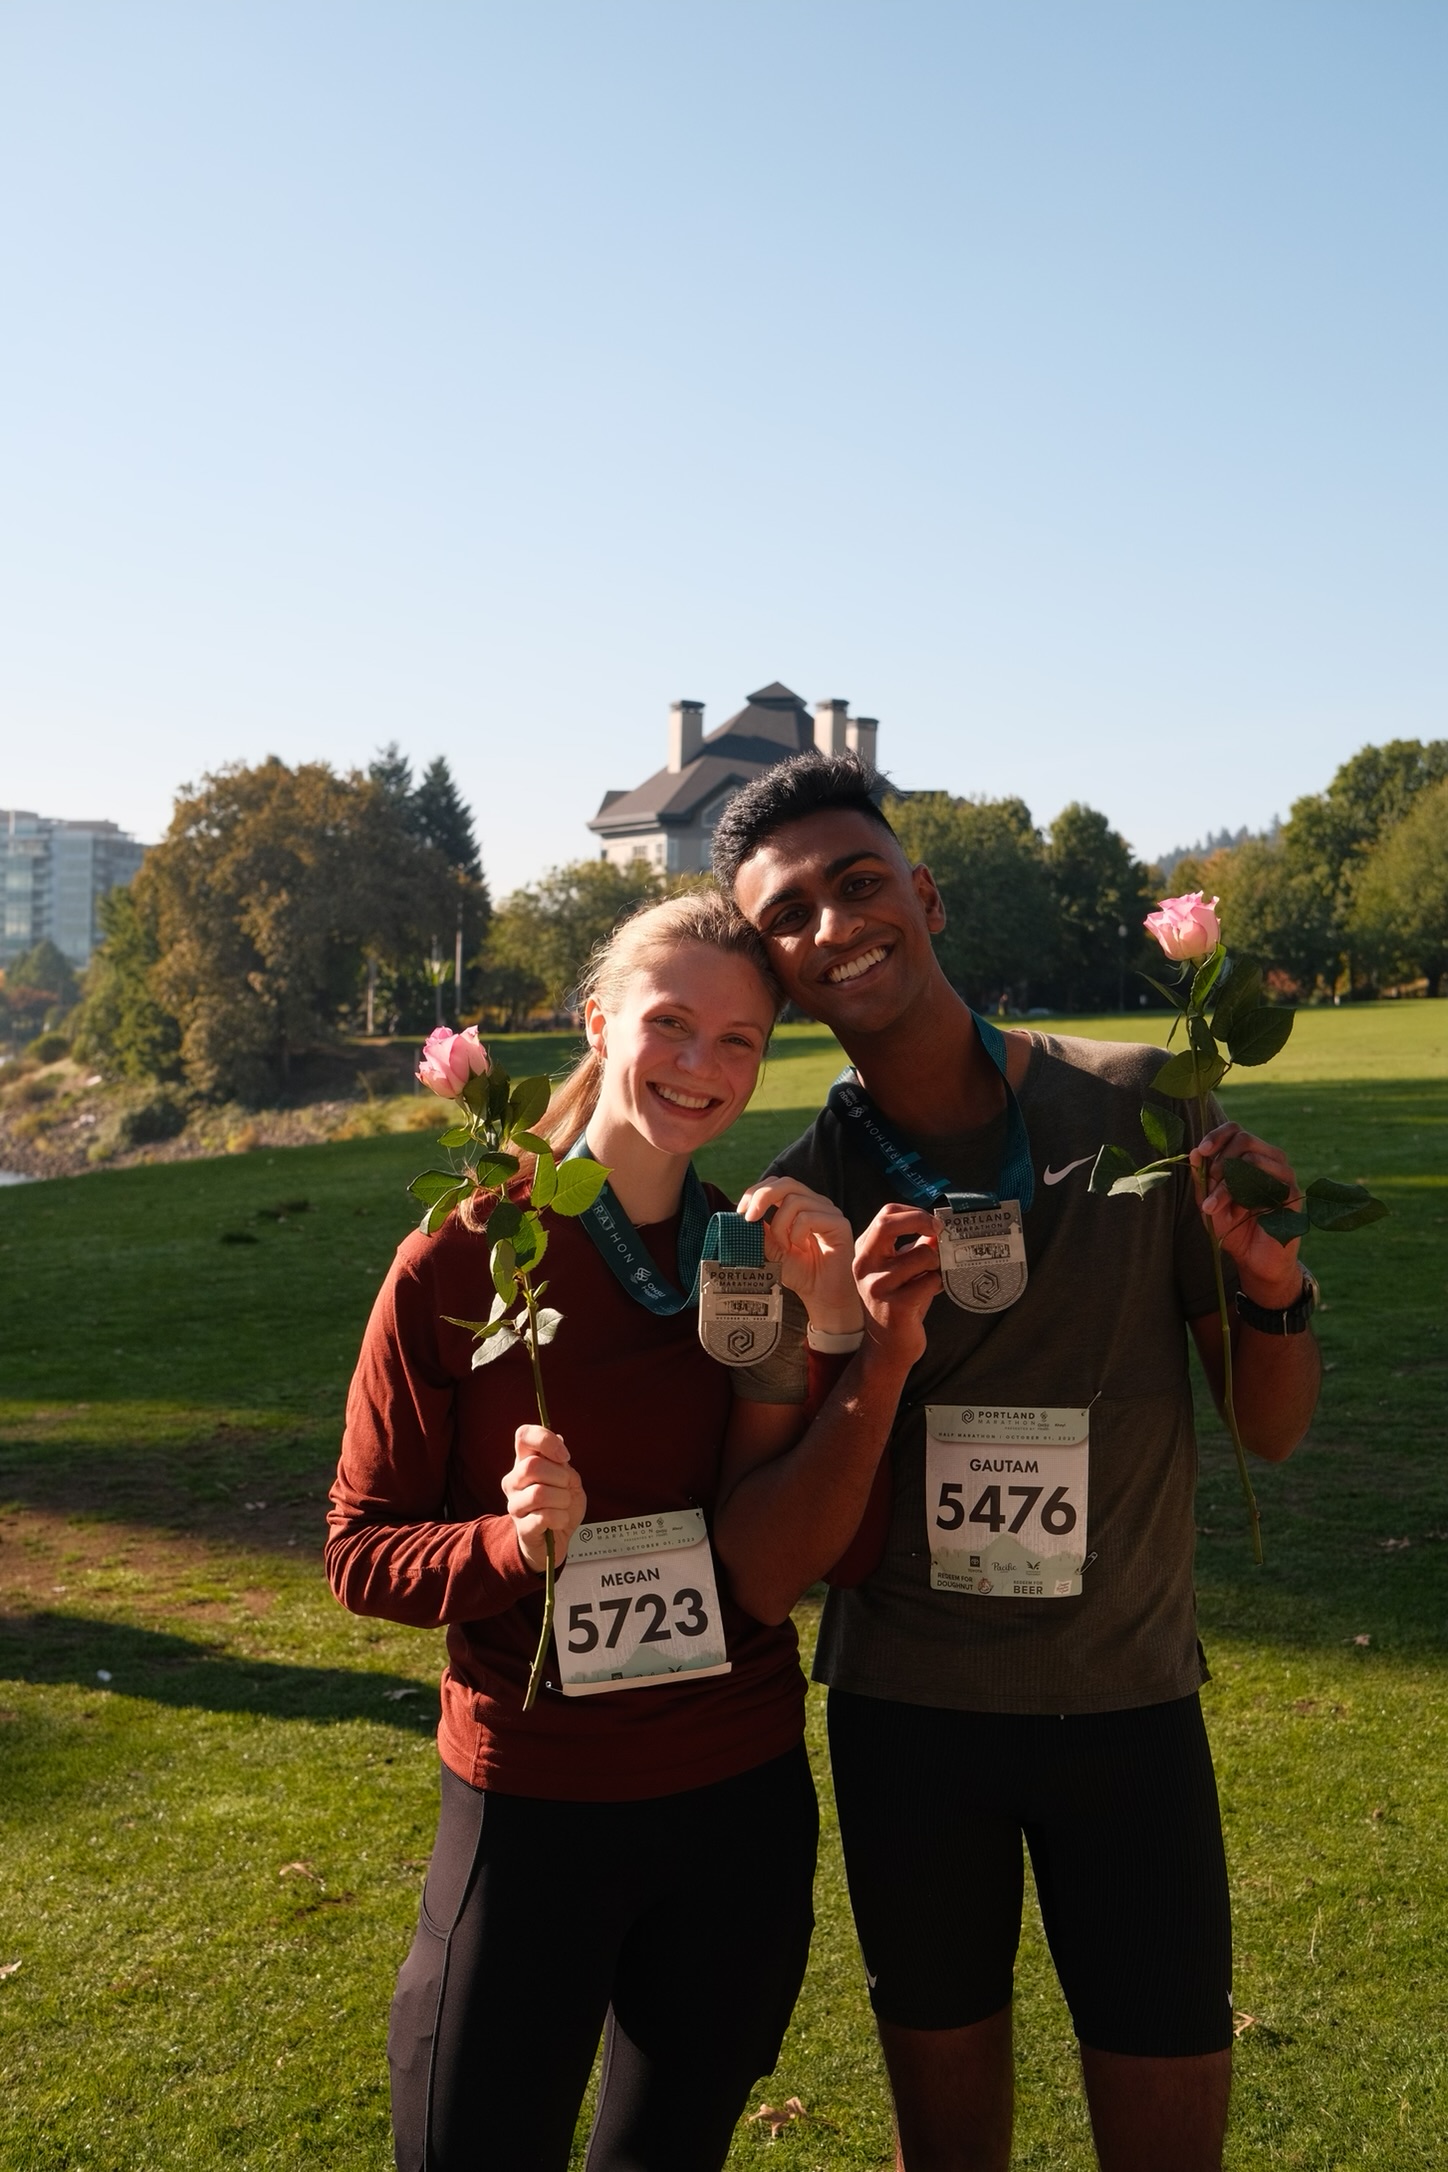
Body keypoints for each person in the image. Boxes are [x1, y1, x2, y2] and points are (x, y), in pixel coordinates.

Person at [709, 752, 1323, 2172]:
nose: (834, 924)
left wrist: (1276, 1290)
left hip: (1127, 1707)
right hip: (910, 1723)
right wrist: (857, 1340)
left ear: (922, 895)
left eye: (858, 883)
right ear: (781, 973)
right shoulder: (787, 1212)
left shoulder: (1143, 1108)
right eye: (789, 916)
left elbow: (1274, 1430)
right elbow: (764, 1550)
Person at [326, 891, 866, 2172]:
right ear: (596, 1021)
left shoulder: (749, 1257)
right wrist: (506, 1548)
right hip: (535, 1803)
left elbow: (789, 1541)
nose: (702, 1066)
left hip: (735, 1792)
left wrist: (834, 1325)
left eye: (741, 1041)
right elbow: (360, 1552)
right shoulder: (465, 1253)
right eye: (670, 1023)